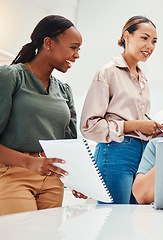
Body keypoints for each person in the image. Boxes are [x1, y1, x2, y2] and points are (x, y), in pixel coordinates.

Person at [80, 16, 163, 204]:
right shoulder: (108, 71)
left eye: (154, 41)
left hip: (142, 152)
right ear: (127, 37)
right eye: (144, 38)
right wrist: (135, 125)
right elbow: (89, 126)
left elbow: (136, 123)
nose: (150, 46)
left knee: (136, 219)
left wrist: (158, 131)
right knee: (114, 218)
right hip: (114, 152)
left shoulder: (143, 78)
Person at [0, 15, 82, 215]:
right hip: (14, 175)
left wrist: (78, 179)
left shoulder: (64, 91)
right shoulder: (11, 77)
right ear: (48, 43)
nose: (77, 55)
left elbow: (70, 144)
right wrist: (31, 162)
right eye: (73, 47)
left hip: (53, 181)